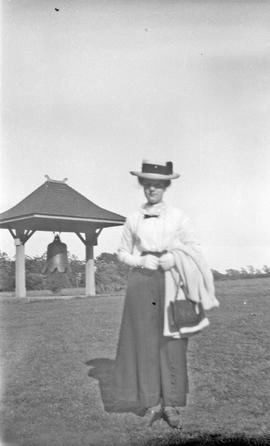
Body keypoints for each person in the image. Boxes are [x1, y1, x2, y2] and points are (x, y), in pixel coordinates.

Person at [113, 159, 219, 429]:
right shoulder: (133, 219)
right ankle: (150, 402)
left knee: (172, 342)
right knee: (144, 341)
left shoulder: (179, 217)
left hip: (173, 281)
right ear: (142, 186)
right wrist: (139, 261)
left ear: (165, 186)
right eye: (147, 184)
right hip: (141, 283)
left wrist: (174, 257)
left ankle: (170, 404)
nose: (152, 189)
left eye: (158, 184)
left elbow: (194, 247)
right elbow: (121, 252)